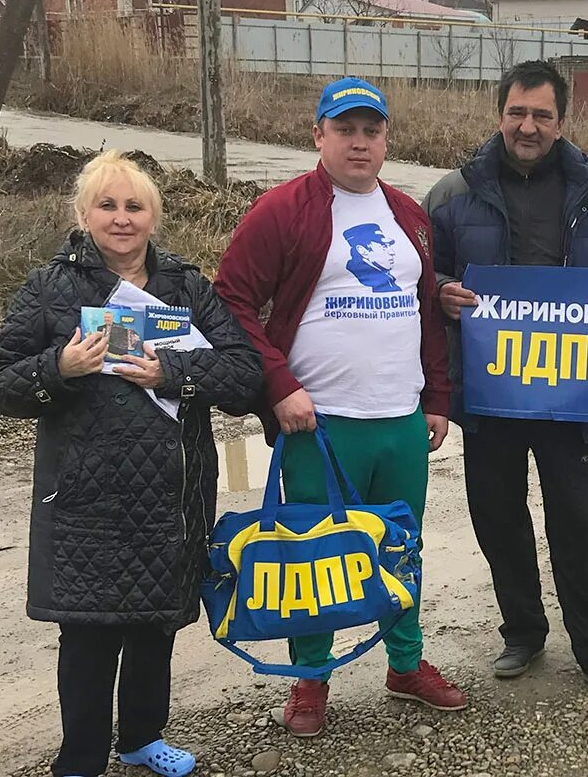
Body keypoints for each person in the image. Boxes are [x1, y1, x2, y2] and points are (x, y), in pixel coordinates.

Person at [0, 151, 262, 777]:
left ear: (153, 217)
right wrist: (61, 367)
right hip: (85, 499)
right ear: (84, 215)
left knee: (154, 627)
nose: (121, 218)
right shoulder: (50, 288)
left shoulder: (186, 287)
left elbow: (245, 375)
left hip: (170, 495)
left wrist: (177, 372)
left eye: (134, 206)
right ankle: (79, 759)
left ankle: (141, 736)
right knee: (86, 639)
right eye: (107, 205)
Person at [423, 60, 588, 698]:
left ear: (562, 122)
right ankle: (523, 632)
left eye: (542, 115)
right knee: (498, 516)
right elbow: (419, 276)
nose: (529, 126)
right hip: (490, 393)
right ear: (500, 114)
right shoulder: (452, 194)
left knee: (581, 521)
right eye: (518, 112)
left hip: (573, 393)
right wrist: (443, 293)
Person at [213, 77, 463, 737]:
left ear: (386, 140)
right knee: (314, 557)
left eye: (371, 131)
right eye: (344, 129)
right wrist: (278, 385)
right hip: (319, 423)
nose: (359, 142)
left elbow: (426, 311)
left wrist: (436, 398)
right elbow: (230, 298)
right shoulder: (283, 209)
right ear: (317, 134)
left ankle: (404, 665)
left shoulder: (409, 215)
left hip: (400, 420)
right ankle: (311, 681)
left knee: (399, 551)